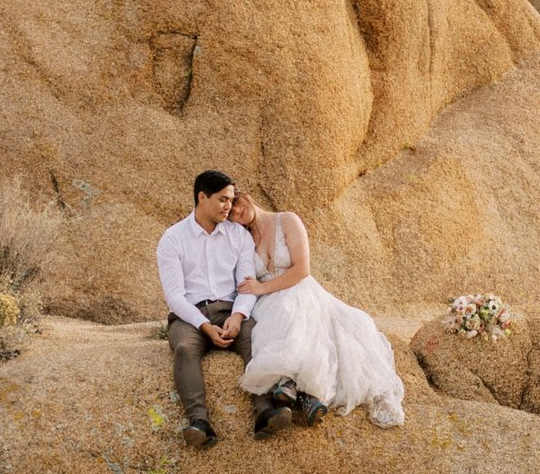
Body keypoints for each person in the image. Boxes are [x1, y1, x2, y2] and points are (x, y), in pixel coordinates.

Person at [231, 186, 406, 433]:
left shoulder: (287, 220)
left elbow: (302, 269)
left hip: (299, 287)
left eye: (238, 203)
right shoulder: (243, 240)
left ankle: (296, 386)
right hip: (268, 299)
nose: (238, 212)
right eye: (231, 215)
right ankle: (304, 395)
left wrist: (262, 287)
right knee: (273, 317)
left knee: (295, 309)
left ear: (245, 195)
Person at [156, 168, 261, 446]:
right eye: (223, 199)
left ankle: (266, 409)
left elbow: (247, 285)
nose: (230, 206)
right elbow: (175, 297)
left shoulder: (239, 236)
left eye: (231, 199)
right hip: (190, 316)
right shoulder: (173, 238)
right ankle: (199, 422)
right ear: (202, 197)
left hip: (230, 309)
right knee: (183, 349)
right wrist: (204, 326)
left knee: (256, 337)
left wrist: (238, 317)